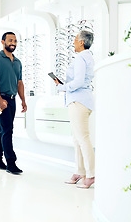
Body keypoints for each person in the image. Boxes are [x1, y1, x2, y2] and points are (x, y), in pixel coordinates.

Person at [53, 30, 95, 189]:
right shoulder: (87, 57)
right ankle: (80, 171)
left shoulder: (81, 57)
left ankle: (91, 175)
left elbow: (77, 82)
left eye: (75, 39)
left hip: (79, 101)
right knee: (77, 139)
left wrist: (61, 87)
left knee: (83, 139)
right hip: (80, 100)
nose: (73, 41)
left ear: (81, 42)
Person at [0, 32, 27, 175]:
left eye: (15, 41)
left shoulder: (17, 62)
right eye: (10, 40)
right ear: (2, 41)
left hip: (12, 99)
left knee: (3, 130)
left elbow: (20, 83)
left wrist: (23, 100)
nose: (13, 43)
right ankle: (11, 163)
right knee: (8, 130)